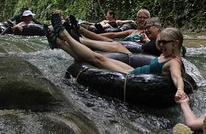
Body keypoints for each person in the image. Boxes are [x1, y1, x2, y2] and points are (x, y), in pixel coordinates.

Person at [47, 12, 187, 102]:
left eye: (164, 42)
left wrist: (180, 90)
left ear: (176, 43)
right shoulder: (167, 53)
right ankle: (60, 43)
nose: (160, 45)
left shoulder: (174, 61)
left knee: (98, 59)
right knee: (97, 58)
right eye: (160, 42)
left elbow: (177, 77)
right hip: (133, 70)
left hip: (131, 76)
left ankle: (64, 36)